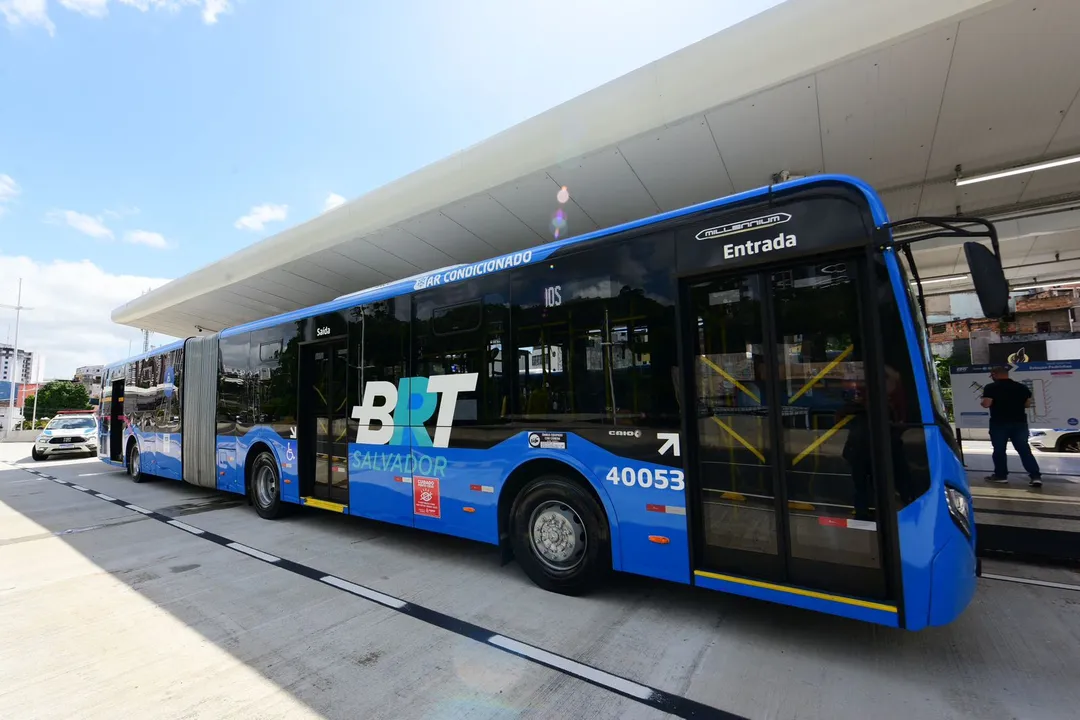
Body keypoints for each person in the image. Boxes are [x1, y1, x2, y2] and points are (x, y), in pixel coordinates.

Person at [981, 366, 1042, 487]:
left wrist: (982, 401)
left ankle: (1001, 476)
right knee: (1024, 450)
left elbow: (986, 404)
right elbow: (1027, 405)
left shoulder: (991, 387)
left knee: (999, 450)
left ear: (994, 374)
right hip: (1019, 423)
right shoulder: (1021, 387)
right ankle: (1035, 476)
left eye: (991, 375)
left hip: (999, 423)